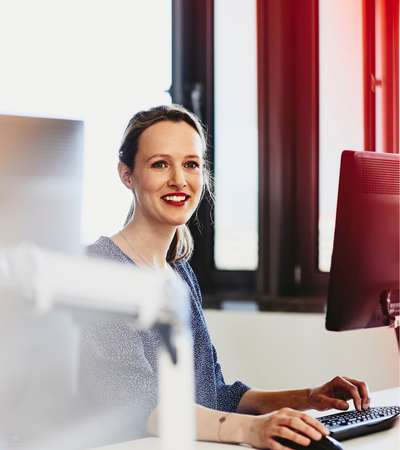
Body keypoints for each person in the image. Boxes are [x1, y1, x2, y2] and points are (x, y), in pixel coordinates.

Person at [85, 104, 371, 449]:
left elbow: (214, 394)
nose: (179, 179)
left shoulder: (178, 273)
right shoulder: (100, 269)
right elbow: (142, 406)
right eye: (160, 164)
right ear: (127, 174)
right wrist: (250, 429)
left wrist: (308, 397)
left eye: (190, 164)